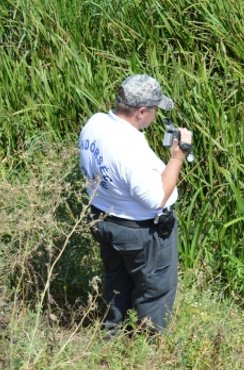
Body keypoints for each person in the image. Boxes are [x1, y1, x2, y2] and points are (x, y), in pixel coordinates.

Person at [78, 74, 193, 336]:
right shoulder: (129, 147)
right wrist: (177, 157)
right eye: (154, 110)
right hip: (140, 231)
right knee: (153, 291)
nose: (155, 116)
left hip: (103, 218)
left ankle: (113, 337)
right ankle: (149, 349)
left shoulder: (95, 124)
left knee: (117, 283)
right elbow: (155, 199)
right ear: (142, 111)